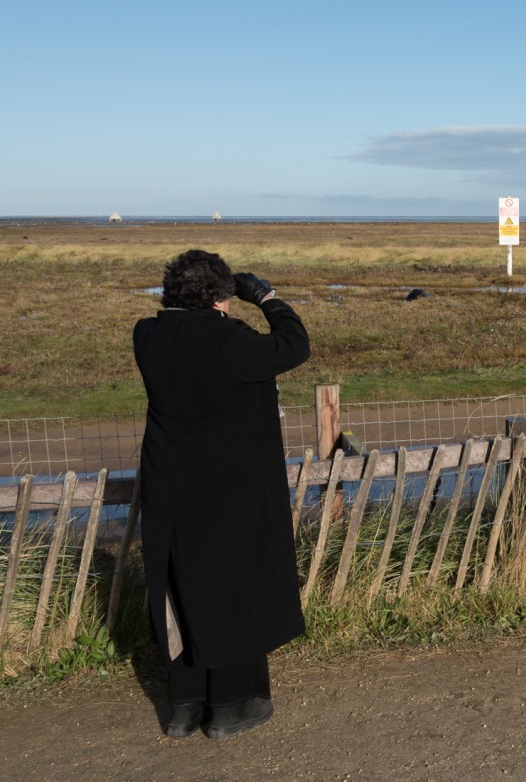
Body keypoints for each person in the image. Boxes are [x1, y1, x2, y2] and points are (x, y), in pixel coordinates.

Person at [133, 249, 311, 739]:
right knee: (232, 590)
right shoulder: (228, 339)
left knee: (181, 587)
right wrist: (267, 296)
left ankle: (186, 708)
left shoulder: (146, 336)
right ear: (219, 296)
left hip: (169, 482)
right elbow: (295, 346)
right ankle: (234, 707)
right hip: (228, 487)